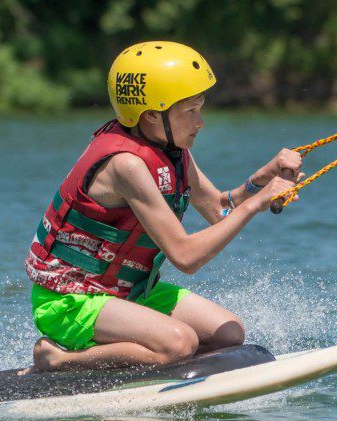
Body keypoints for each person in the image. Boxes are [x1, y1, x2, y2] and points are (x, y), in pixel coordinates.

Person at [23, 41, 301, 373]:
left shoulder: (171, 151)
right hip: (70, 300)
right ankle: (61, 359)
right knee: (180, 343)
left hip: (128, 293)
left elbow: (217, 209)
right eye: (190, 111)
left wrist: (259, 180)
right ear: (153, 114)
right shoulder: (126, 165)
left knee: (229, 334)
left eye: (200, 109)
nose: (200, 123)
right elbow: (185, 257)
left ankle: (147, 353)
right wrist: (256, 204)